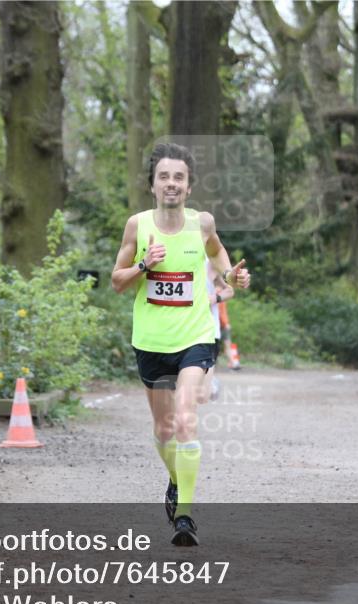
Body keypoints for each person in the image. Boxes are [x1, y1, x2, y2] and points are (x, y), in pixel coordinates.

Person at [111, 143, 251, 546]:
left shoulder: (202, 223)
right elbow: (118, 282)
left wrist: (232, 276)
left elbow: (220, 255)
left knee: (186, 419)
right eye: (164, 177)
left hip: (195, 337)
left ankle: (185, 516)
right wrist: (143, 265)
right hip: (152, 340)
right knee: (164, 426)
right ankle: (175, 481)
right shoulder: (137, 227)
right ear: (152, 185)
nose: (171, 184)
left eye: (179, 178)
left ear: (189, 187)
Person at [201, 260, 234, 404]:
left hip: (209, 332)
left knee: (202, 397)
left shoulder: (210, 263)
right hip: (182, 331)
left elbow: (229, 290)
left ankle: (211, 382)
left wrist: (214, 298)